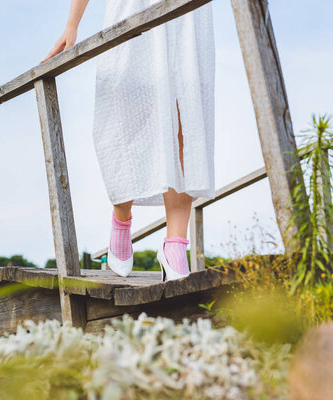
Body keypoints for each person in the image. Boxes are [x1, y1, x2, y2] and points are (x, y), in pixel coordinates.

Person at [41, 0, 215, 280]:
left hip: (188, 18)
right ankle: (121, 218)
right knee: (125, 122)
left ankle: (175, 246)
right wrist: (72, 24)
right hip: (132, 10)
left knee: (186, 125)